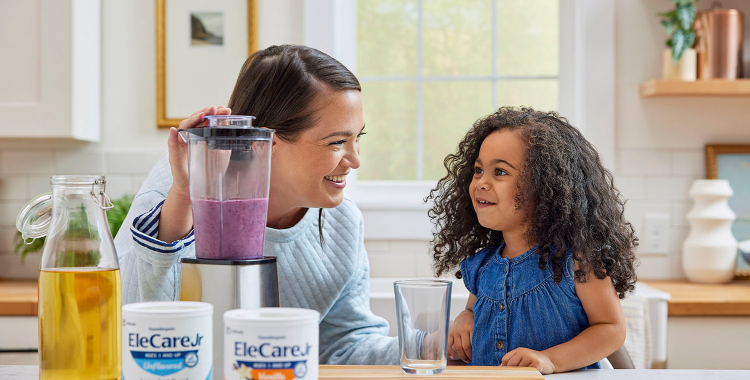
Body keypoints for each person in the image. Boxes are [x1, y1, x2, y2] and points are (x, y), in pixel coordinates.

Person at [115, 45, 399, 365]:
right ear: (267, 142)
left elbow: (342, 345)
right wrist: (182, 196)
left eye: (357, 137)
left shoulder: (342, 222)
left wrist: (431, 344)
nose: (355, 160)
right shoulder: (179, 190)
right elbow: (130, 325)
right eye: (336, 142)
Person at [426, 107, 637, 374]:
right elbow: (471, 310)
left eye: (500, 172)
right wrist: (464, 319)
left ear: (546, 185)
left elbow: (611, 329)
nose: (481, 182)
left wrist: (550, 360)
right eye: (478, 170)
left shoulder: (577, 262)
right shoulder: (483, 266)